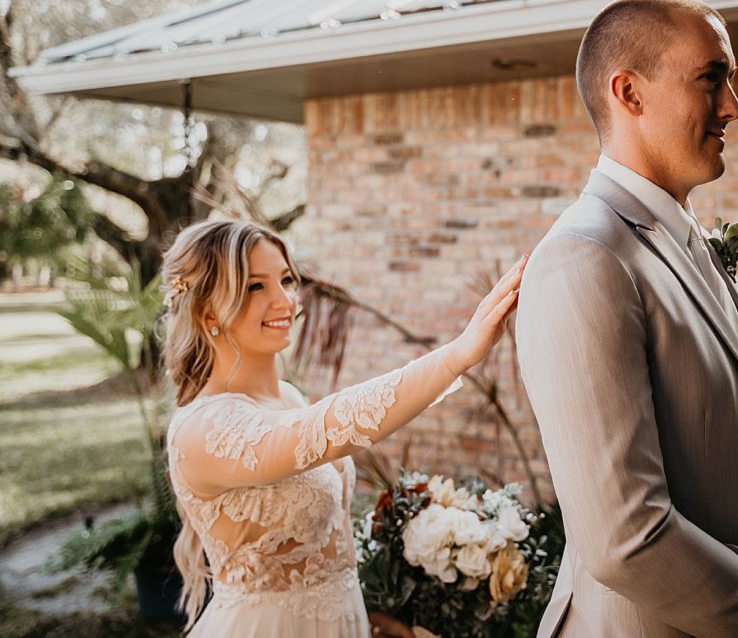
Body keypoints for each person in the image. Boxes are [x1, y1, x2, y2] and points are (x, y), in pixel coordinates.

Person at [515, 0, 738, 637]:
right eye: (711, 78)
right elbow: (627, 537)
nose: (734, 106)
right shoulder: (585, 258)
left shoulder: (689, 241)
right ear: (630, 93)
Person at [161, 219, 525, 636]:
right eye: (254, 287)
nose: (285, 301)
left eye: (286, 279)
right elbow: (325, 428)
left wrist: (369, 615)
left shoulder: (289, 397)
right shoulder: (200, 430)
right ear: (208, 311)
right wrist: (455, 357)